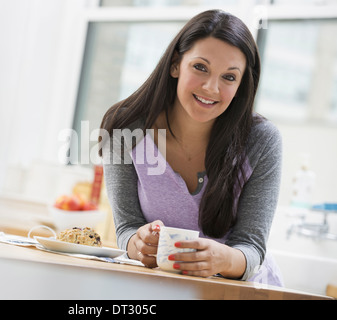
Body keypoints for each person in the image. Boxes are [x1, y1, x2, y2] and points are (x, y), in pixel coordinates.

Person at [99, 9, 283, 286]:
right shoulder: (125, 128)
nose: (211, 87)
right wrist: (139, 244)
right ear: (176, 64)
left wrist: (224, 259)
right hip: (162, 288)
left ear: (242, 84)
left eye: (229, 77)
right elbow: (127, 228)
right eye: (200, 67)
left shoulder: (262, 140)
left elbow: (252, 246)